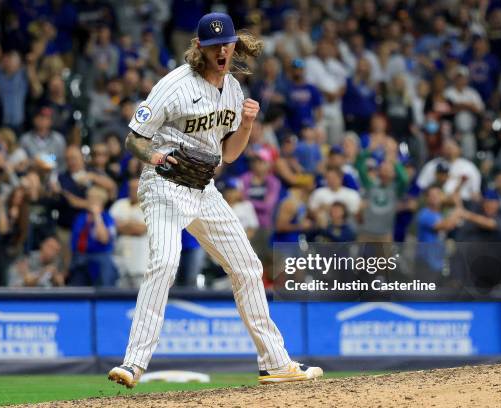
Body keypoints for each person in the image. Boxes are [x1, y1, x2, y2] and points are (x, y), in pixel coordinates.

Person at [108, 12, 322, 388]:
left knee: (249, 268)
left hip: (203, 188)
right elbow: (134, 139)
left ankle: (275, 363)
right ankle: (133, 362)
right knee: (165, 261)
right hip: (164, 184)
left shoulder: (234, 90)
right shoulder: (173, 86)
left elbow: (230, 156)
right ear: (200, 48)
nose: (222, 51)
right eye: (213, 46)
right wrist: (155, 157)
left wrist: (248, 125)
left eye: (227, 44)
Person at [69, 185, 117, 286]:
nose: (90, 201)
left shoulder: (107, 218)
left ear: (101, 201)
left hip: (100, 258)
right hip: (79, 258)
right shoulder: (81, 217)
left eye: (94, 199)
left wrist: (97, 216)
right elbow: (74, 241)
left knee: (104, 281)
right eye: (89, 198)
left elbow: (103, 239)